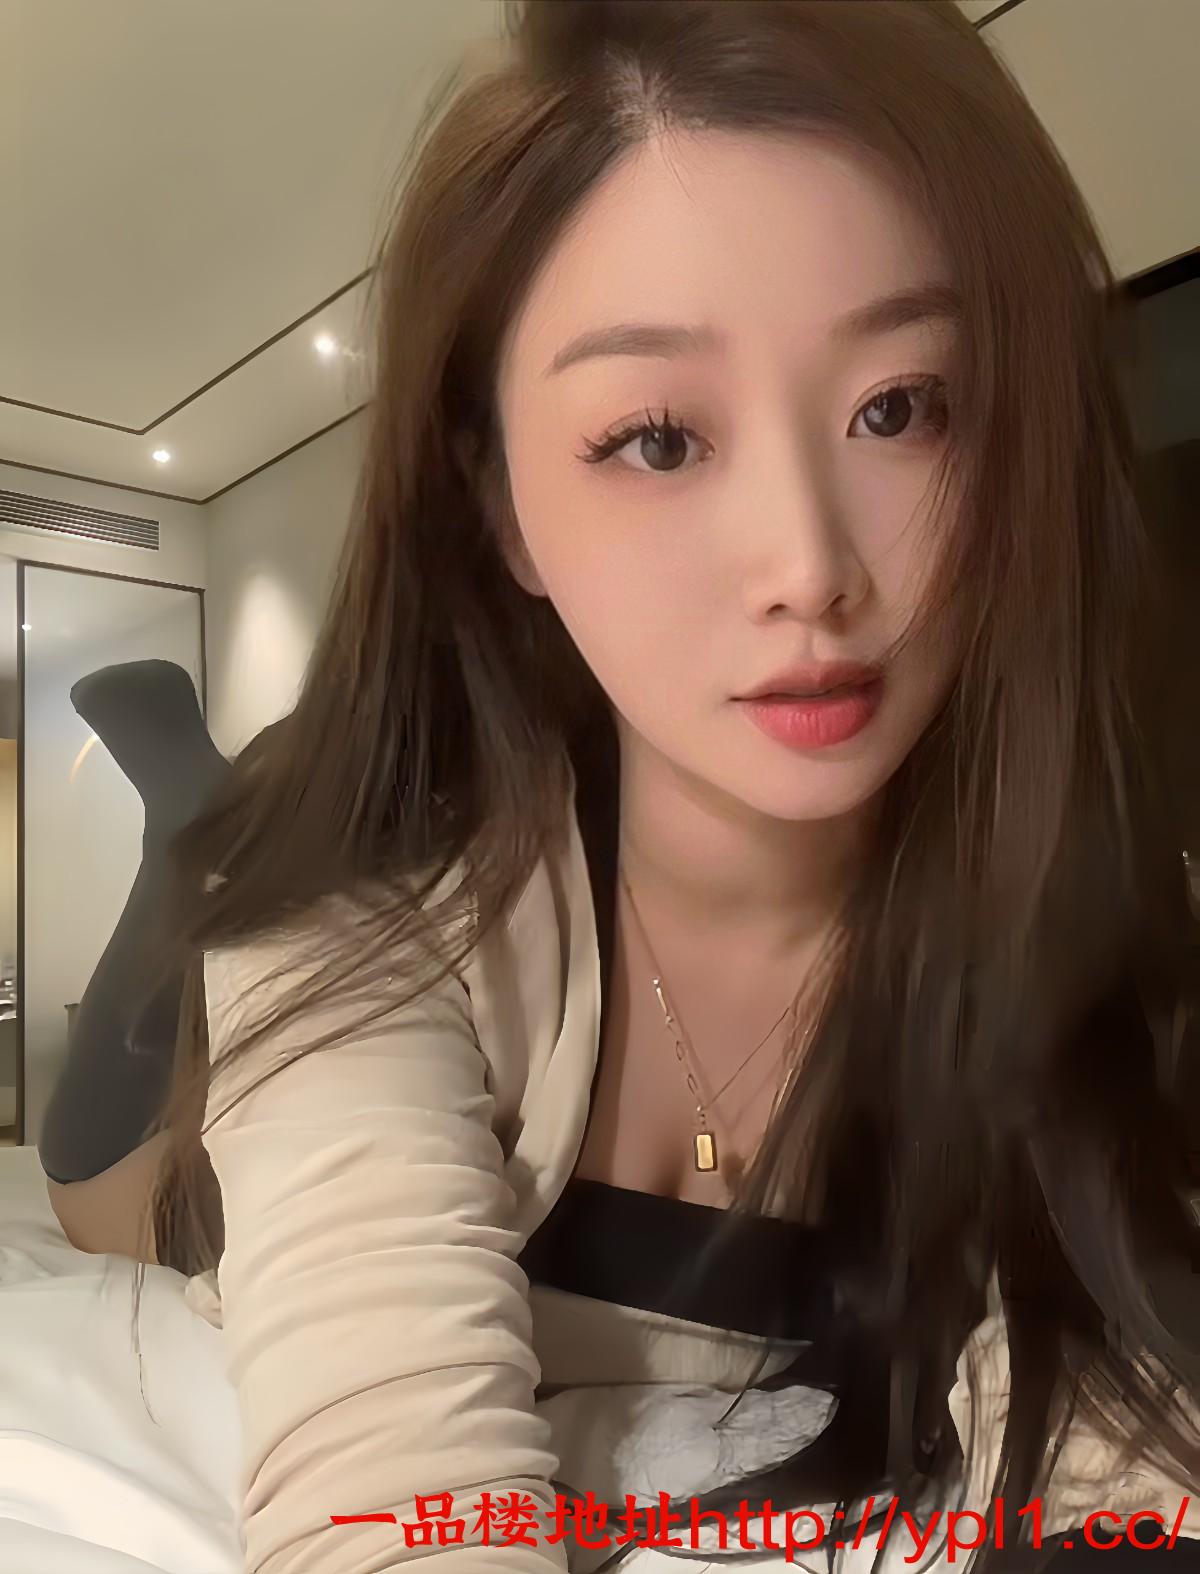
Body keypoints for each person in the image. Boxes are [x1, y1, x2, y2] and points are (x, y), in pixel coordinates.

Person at [47, 4, 1200, 1572]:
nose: (809, 567)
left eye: (902, 406)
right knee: (107, 1151)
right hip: (172, 1144)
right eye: (658, 437)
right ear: (502, 507)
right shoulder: (373, 919)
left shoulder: (1096, 916)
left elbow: (1129, 1440)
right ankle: (196, 808)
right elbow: (384, 1499)